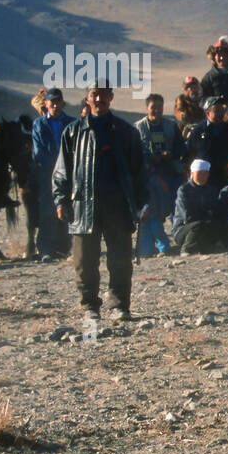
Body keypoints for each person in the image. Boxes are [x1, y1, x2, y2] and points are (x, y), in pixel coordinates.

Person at [52, 83, 147, 321]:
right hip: (83, 205)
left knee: (121, 259)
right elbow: (62, 171)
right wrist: (61, 200)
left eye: (104, 95)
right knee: (84, 261)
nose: (99, 99)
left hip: (118, 206)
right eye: (94, 95)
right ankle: (90, 306)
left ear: (111, 98)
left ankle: (119, 306)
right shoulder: (72, 133)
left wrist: (142, 203)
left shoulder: (126, 132)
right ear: (87, 98)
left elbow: (139, 173)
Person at [134, 93, 184, 257]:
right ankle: (155, 246)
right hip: (148, 174)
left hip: (170, 171)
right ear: (146, 108)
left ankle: (178, 238)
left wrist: (170, 154)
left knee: (173, 206)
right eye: (153, 107)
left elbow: (180, 147)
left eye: (160, 107)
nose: (156, 110)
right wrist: (150, 157)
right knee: (152, 211)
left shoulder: (171, 125)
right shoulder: (137, 127)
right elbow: (134, 151)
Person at [30, 87, 75, 261]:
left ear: (62, 103)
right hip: (47, 173)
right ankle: (45, 249)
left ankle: (68, 247)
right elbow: (38, 151)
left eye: (58, 101)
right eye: (52, 102)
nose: (55, 105)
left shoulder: (72, 123)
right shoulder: (39, 124)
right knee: (47, 211)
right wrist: (56, 168)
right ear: (46, 104)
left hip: (69, 173)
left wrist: (68, 168)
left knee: (70, 210)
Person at [172, 159, 228, 255]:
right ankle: (187, 250)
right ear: (192, 173)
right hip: (183, 229)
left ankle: (215, 246)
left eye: (205, 173)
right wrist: (206, 216)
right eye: (200, 173)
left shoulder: (210, 190)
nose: (202, 176)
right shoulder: (184, 190)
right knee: (197, 225)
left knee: (221, 222)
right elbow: (187, 216)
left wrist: (208, 216)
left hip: (204, 226)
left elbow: (216, 211)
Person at [187, 97, 228, 190]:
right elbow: (190, 154)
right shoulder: (198, 131)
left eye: (222, 110)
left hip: (225, 177)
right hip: (204, 178)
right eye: (217, 111)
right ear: (207, 113)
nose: (220, 114)